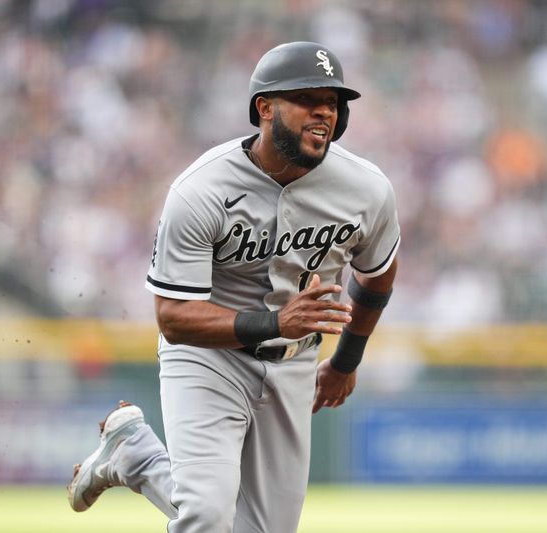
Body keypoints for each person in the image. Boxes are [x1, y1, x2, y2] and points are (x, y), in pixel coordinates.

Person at [67, 41, 400, 533]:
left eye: (332, 102)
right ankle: (137, 457)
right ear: (264, 108)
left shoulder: (366, 189)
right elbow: (173, 317)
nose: (323, 112)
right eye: (307, 98)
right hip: (208, 356)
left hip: (294, 365)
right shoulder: (201, 189)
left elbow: (377, 276)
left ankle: (136, 455)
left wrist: (345, 362)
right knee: (204, 515)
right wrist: (276, 322)